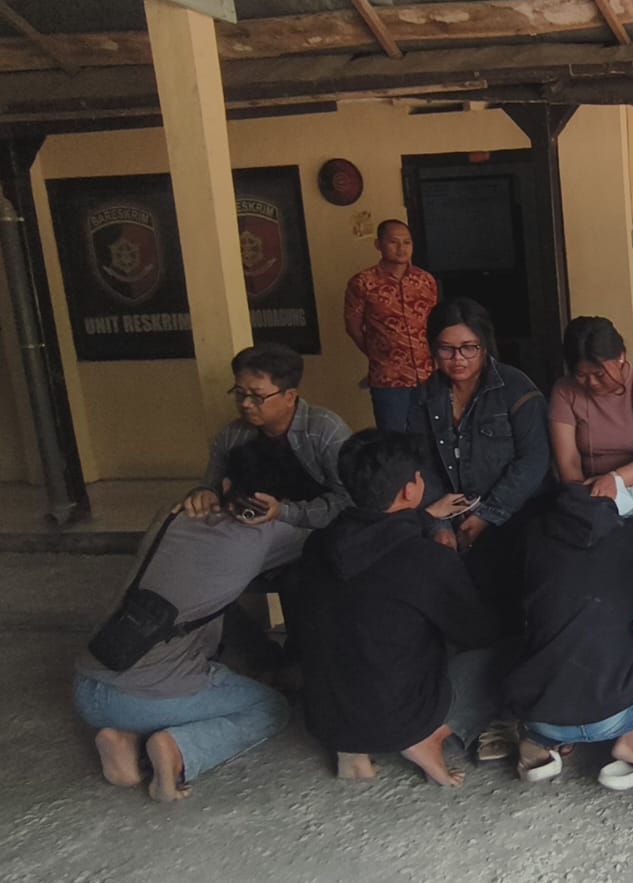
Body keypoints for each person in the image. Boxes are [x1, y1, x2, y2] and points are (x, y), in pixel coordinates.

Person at [74, 343, 350, 802]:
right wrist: (274, 513)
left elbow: (344, 498)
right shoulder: (241, 467)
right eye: (239, 394)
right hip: (153, 687)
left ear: (290, 396)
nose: (246, 405)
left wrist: (270, 507)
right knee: (269, 709)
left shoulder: (170, 517)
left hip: (90, 679)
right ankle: (180, 746)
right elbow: (338, 516)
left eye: (257, 396)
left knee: (224, 602)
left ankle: (123, 739)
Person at [296, 429, 500, 788]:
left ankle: (351, 751)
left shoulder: (317, 545)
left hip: (327, 718)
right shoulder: (427, 559)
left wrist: (422, 518)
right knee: (503, 651)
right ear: (410, 490)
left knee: (352, 631)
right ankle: (427, 739)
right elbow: (476, 633)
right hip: (398, 719)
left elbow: (375, 541)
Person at [504, 483, 633, 791]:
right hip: (616, 714)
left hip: (541, 712)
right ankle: (631, 741)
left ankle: (538, 742)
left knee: (531, 638)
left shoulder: (531, 540)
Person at [407, 298, 551, 629]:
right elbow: (421, 461)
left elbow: (534, 461)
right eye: (447, 349)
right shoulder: (424, 396)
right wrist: (439, 524)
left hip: (514, 511)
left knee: (503, 576)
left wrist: (487, 515)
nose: (458, 359)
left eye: (469, 348)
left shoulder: (516, 389)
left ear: (485, 346)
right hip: (452, 512)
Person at [549, 316, 633, 524]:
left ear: (621, 357)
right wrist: (585, 497)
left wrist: (616, 479)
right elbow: (569, 461)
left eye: (599, 373)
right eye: (581, 375)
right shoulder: (564, 391)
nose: (592, 382)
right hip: (591, 485)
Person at [344, 219, 438, 431]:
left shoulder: (425, 280)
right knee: (393, 440)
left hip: (428, 375)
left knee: (431, 437)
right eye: (394, 242)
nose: (401, 248)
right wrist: (378, 354)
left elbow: (436, 324)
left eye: (407, 242)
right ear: (378, 244)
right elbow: (353, 327)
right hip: (389, 378)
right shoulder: (363, 283)